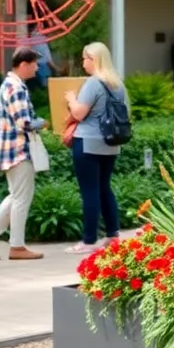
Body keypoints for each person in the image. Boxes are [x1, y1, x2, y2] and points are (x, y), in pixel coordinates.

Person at [0, 48, 46, 261]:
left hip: (10, 149)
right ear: (24, 64)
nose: (38, 67)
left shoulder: (9, 85)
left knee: (16, 195)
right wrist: (43, 123)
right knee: (21, 198)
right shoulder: (16, 88)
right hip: (19, 150)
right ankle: (16, 246)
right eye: (35, 63)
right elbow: (24, 123)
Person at [63, 43, 128, 255]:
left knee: (89, 191)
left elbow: (80, 113)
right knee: (104, 188)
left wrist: (71, 99)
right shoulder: (117, 84)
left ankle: (89, 240)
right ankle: (112, 235)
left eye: (85, 58)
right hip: (110, 143)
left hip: (88, 142)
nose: (83, 63)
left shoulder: (93, 83)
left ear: (94, 59)